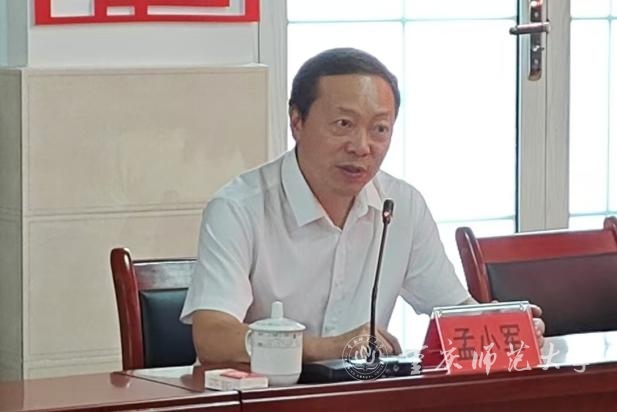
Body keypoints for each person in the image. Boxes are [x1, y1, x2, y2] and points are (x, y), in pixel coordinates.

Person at [180, 47, 545, 364]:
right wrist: (323, 349)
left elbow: (454, 312)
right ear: (297, 121)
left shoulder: (401, 206)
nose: (361, 146)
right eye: (343, 124)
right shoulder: (238, 208)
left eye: (379, 129)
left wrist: (505, 325)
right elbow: (212, 337)